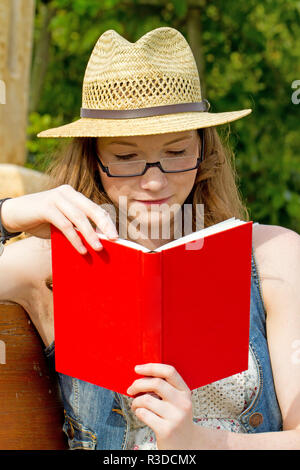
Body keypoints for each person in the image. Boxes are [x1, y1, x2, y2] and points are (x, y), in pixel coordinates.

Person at [0, 27, 300, 450]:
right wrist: (9, 213)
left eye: (177, 152)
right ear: (95, 158)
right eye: (126, 157)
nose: (155, 181)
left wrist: (201, 442)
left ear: (203, 150)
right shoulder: (49, 262)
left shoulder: (273, 255)